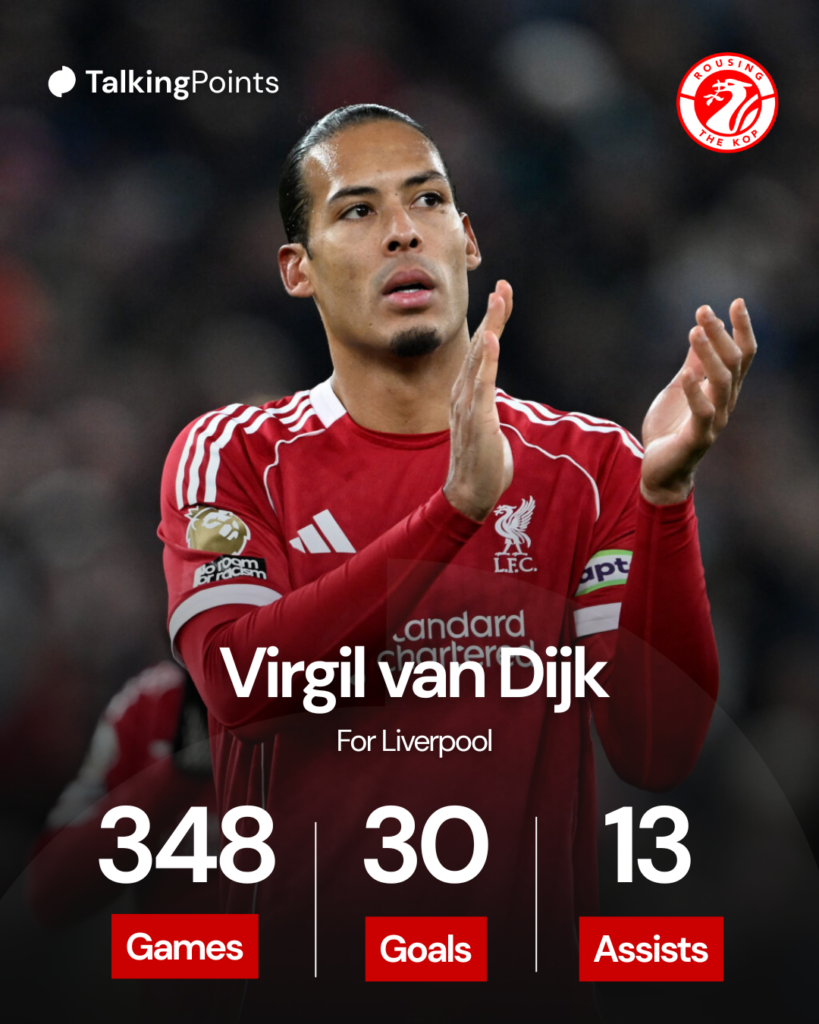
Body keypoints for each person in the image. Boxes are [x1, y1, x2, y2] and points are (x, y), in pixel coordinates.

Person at [158, 104, 755, 1019]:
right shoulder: (234, 456)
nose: (402, 229)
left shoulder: (593, 467)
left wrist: (666, 503)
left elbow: (654, 751)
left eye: (427, 200)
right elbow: (244, 688)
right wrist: (451, 515)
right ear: (296, 269)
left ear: (467, 241)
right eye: (357, 210)